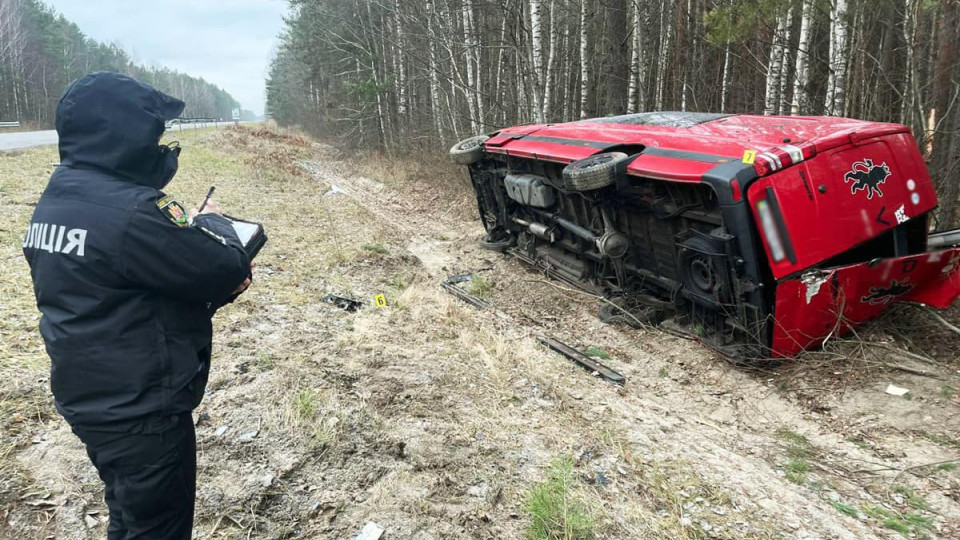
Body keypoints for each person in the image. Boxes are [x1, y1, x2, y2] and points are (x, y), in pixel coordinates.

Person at [22, 72, 252, 539]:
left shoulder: (59, 198)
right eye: (154, 133)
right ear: (125, 134)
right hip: (141, 408)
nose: (160, 143)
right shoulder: (130, 212)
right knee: (158, 528)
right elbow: (224, 269)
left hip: (93, 396)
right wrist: (213, 223)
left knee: (130, 516)